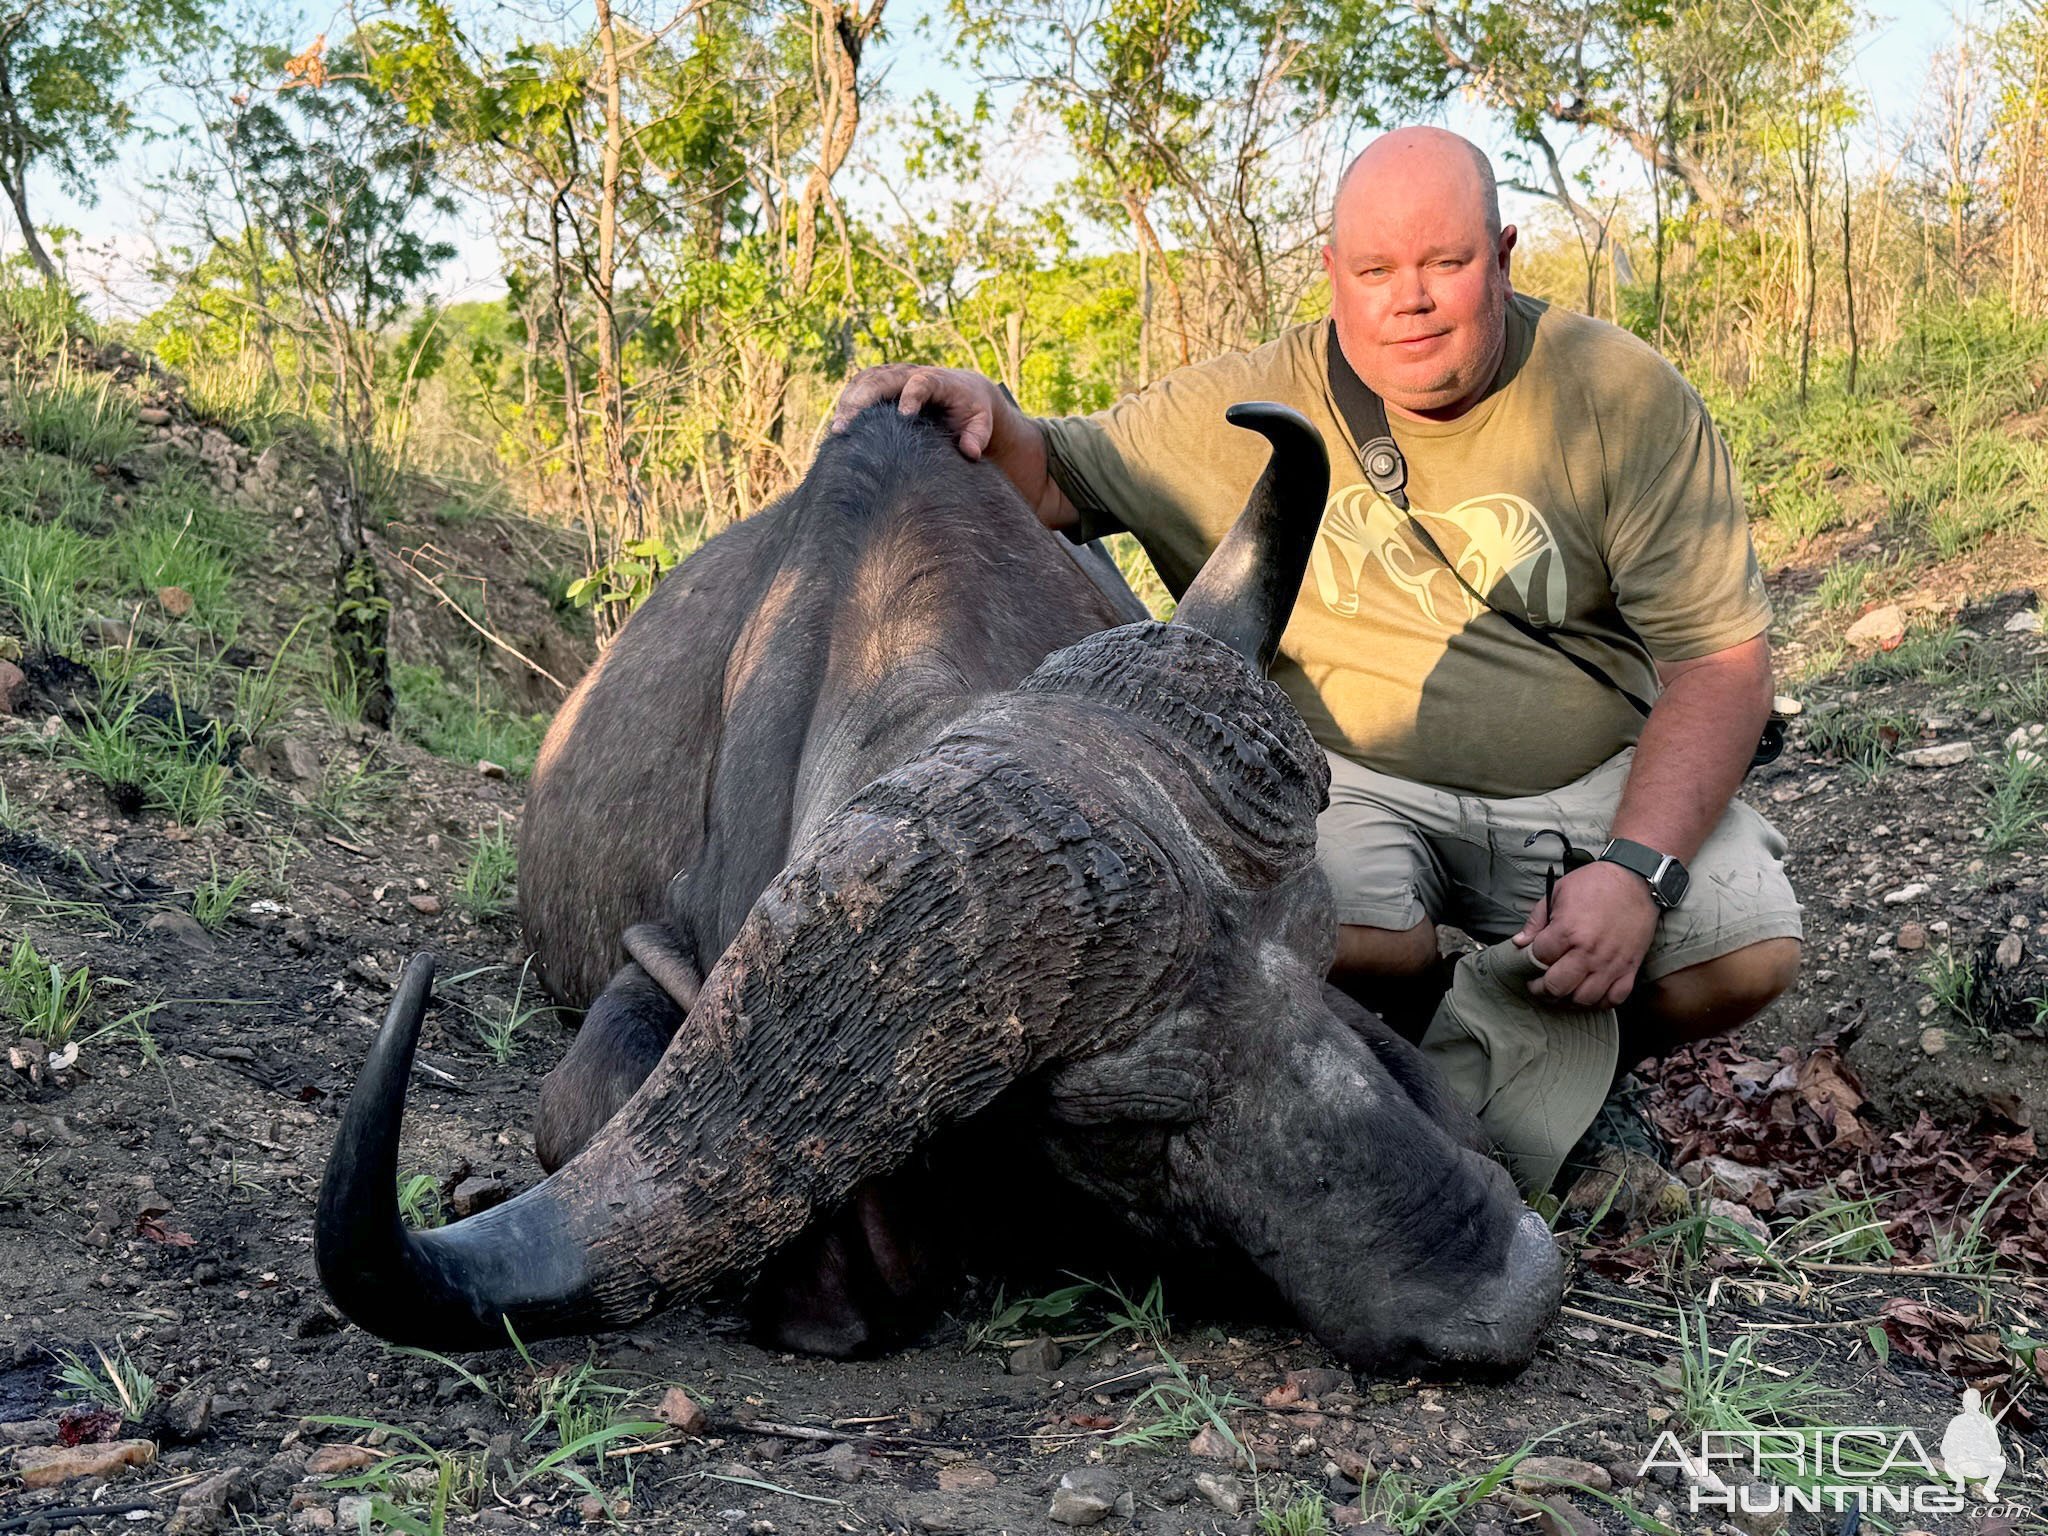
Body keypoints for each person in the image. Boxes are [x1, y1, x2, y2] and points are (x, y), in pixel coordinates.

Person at [829, 126, 1803, 1194]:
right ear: (1332, 275)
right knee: (1246, 922)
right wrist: (981, 407)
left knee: (1742, 945)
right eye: (1376, 270)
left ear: (1505, 253)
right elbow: (1055, 472)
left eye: (1446, 263)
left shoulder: (1618, 395)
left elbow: (1720, 664)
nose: (1410, 299)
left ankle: (1561, 1060)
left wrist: (1631, 874)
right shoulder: (1239, 403)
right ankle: (1444, 1033)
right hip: (1347, 792)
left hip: (1578, 785)